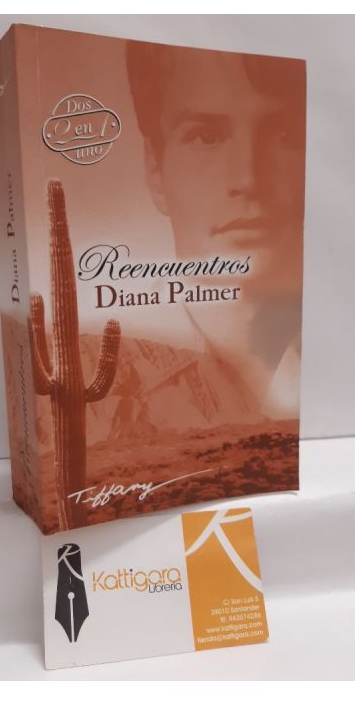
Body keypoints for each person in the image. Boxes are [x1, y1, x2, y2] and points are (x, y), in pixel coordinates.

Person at [125, 38, 306, 421]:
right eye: (206, 136)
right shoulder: (101, 385)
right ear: (155, 170)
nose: (247, 178)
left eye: (283, 135)